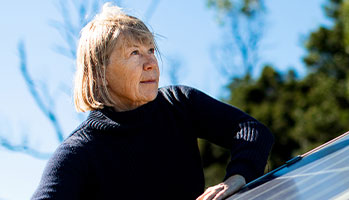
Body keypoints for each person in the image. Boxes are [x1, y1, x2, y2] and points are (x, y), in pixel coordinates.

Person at [32, 3, 273, 200]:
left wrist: (238, 176)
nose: (150, 63)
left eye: (151, 50)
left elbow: (252, 131)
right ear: (101, 73)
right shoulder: (79, 152)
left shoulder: (179, 103)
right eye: (134, 53)